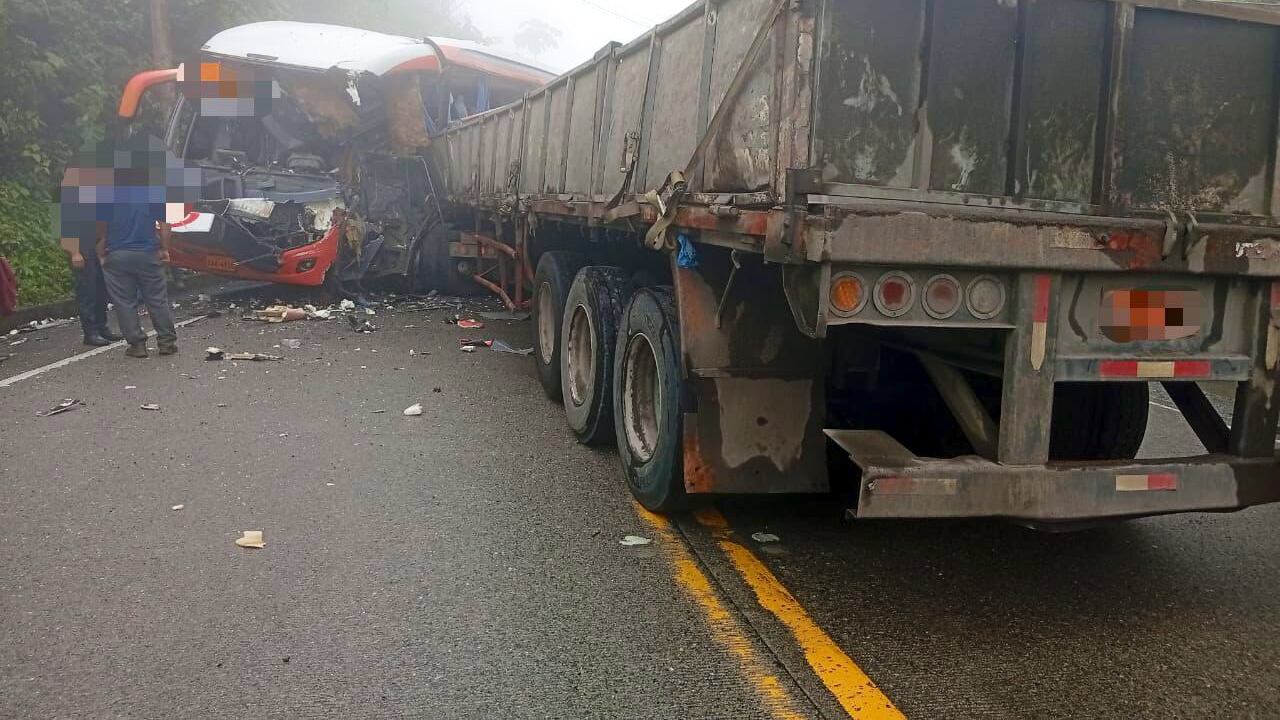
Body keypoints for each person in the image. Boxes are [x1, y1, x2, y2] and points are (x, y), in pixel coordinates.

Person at [98, 196, 178, 358]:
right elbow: (165, 226)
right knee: (157, 300)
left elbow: (100, 231)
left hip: (118, 255)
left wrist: (101, 255)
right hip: (148, 254)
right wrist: (164, 249)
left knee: (124, 302)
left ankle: (137, 345)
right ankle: (166, 343)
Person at [58, 169, 122, 346]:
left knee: (101, 290)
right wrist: (74, 253)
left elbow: (102, 225)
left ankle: (102, 327)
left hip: (95, 247)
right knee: (87, 292)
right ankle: (90, 332)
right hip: (82, 248)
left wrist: (102, 248)